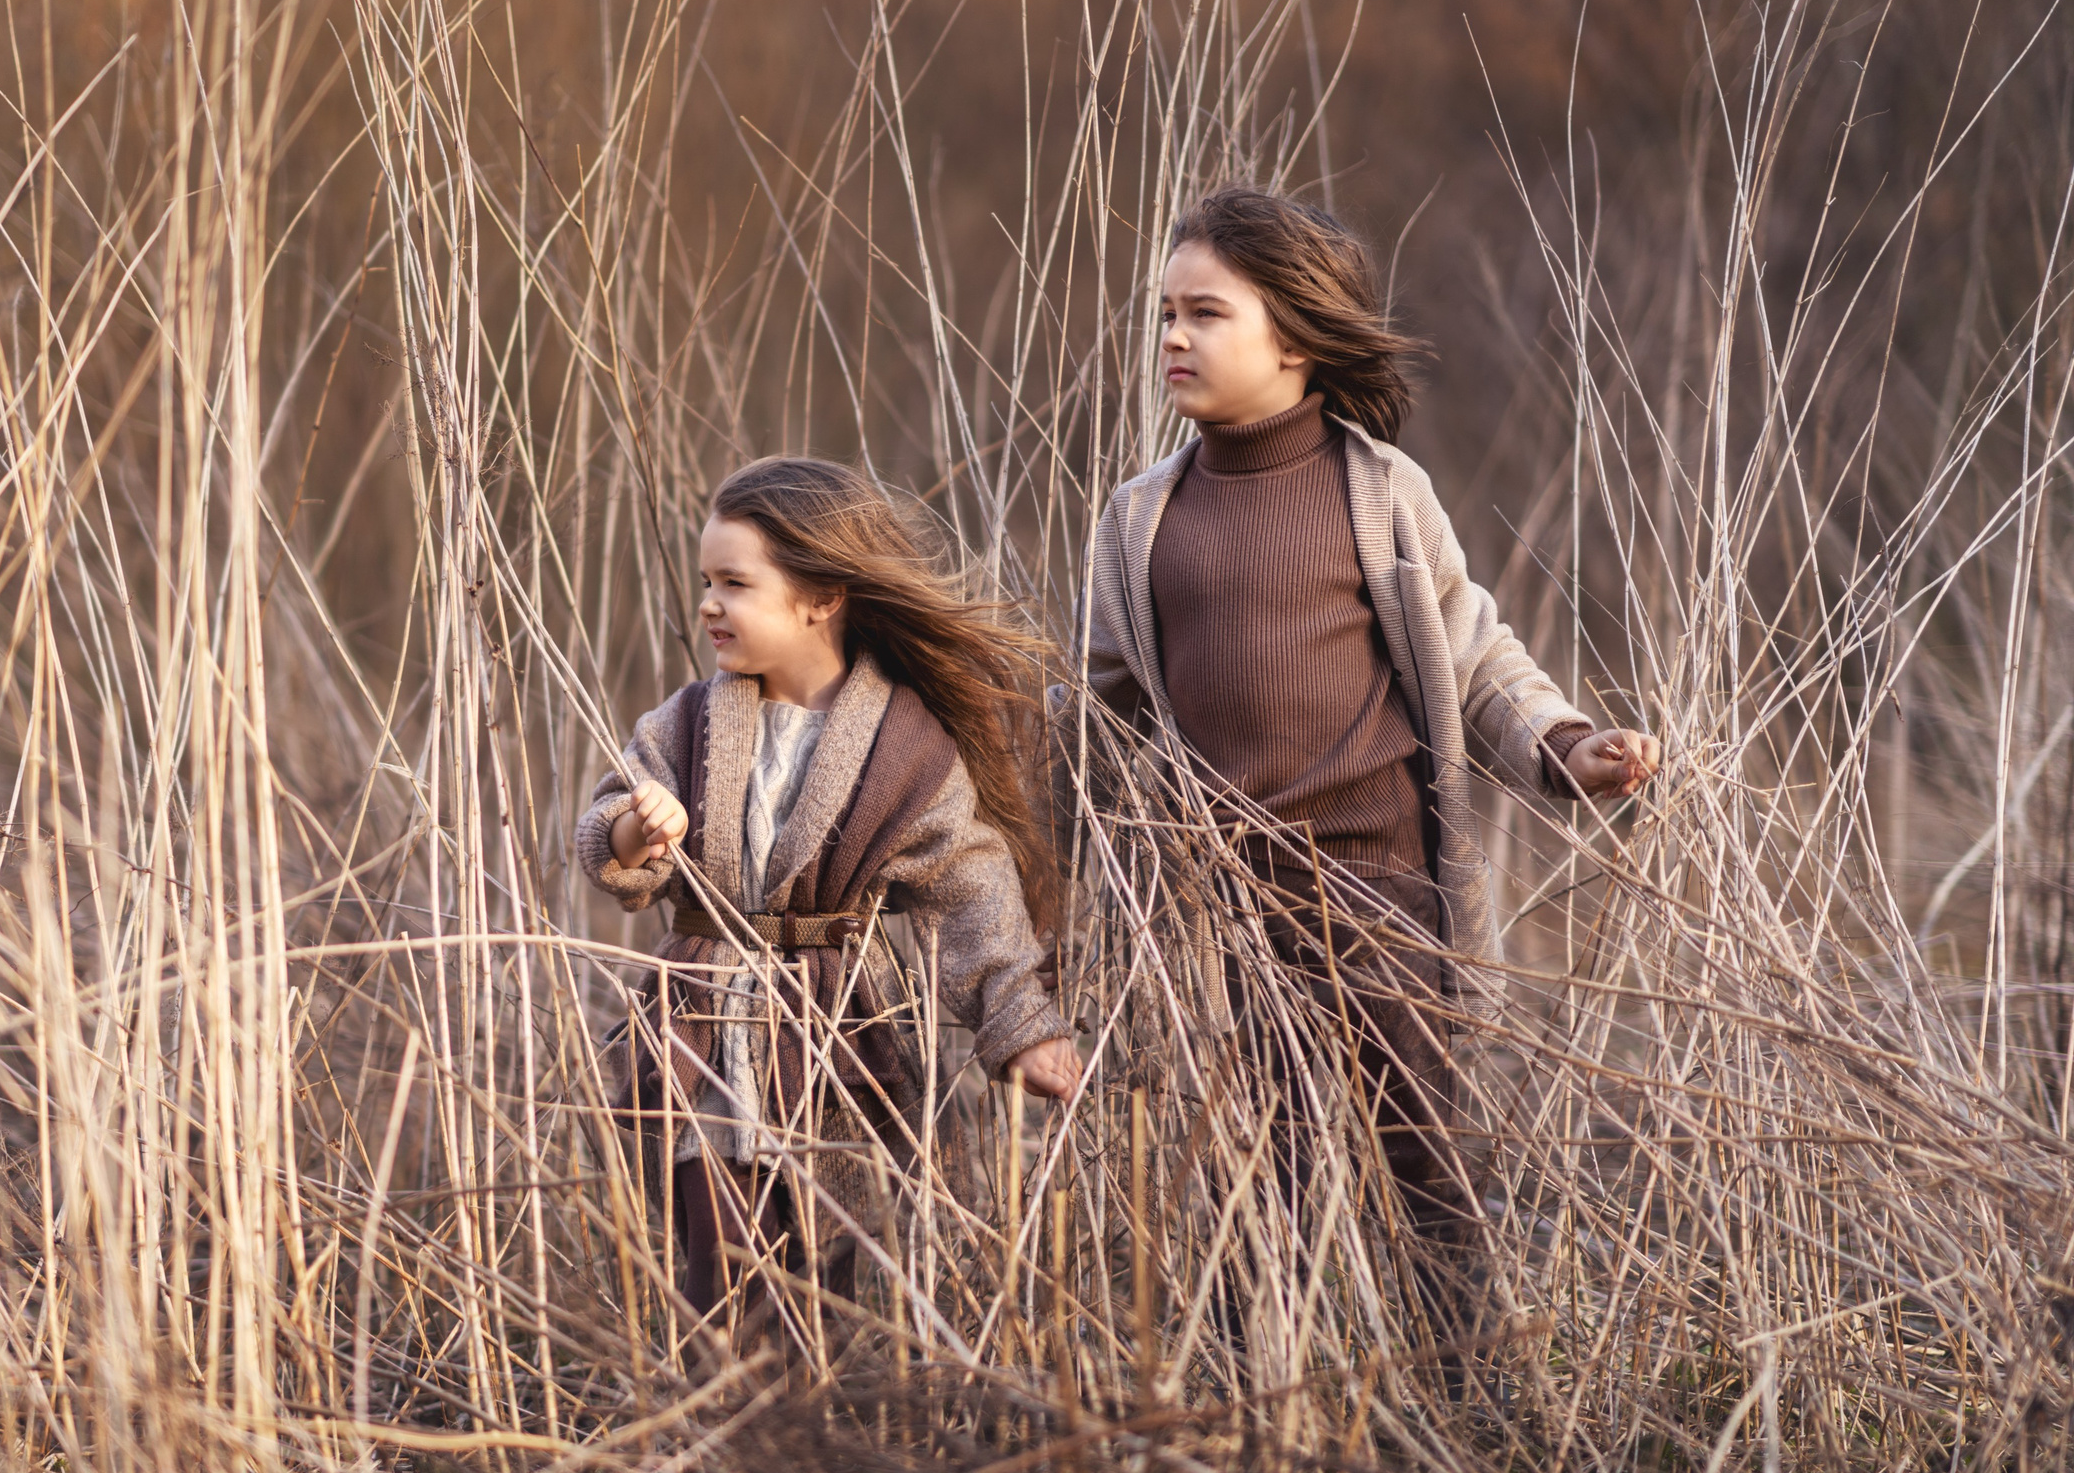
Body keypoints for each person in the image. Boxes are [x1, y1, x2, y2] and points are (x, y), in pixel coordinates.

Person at [1076, 186, 1662, 1344]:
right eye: (1164, 315)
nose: (1173, 339)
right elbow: (1104, 704)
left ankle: (1463, 1385)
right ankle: (1279, 1390)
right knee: (1263, 1176)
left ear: (1295, 340)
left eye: (1206, 314)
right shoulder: (1140, 517)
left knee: (1424, 1162)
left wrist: (1565, 745)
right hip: (1224, 907)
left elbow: (1475, 650)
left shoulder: (1381, 493)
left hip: (1380, 891)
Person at [579, 457, 1081, 1325]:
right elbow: (609, 834)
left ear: (821, 596)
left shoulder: (905, 748)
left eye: (735, 583)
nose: (708, 604)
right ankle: (729, 1427)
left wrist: (1020, 1024)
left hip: (831, 1033)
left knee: (821, 1263)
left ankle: (808, 1438)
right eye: (706, 582)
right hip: (699, 1018)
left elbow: (971, 890)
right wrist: (638, 826)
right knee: (722, 1263)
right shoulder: (687, 721)